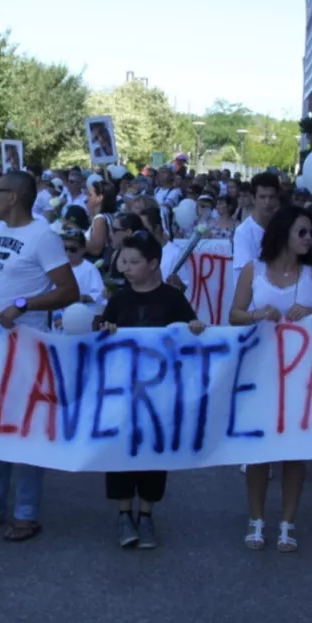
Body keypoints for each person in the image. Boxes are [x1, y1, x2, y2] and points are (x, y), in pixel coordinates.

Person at [0, 171, 79, 542]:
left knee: (25, 429)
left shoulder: (43, 236)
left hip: (27, 348)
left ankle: (26, 512)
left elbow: (69, 290)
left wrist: (23, 305)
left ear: (15, 197)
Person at [230, 205, 312, 552]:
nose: (310, 239)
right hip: (260, 373)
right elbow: (234, 314)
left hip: (302, 375)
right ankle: (256, 519)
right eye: (302, 232)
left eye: (311, 233)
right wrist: (259, 314)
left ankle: (288, 522)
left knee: (294, 451)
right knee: (259, 449)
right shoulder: (253, 269)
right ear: (283, 234)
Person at [98, 231, 206, 549]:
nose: (126, 268)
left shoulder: (172, 299)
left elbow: (192, 330)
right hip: (123, 390)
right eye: (123, 261)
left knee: (154, 450)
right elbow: (101, 335)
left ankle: (146, 514)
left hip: (161, 393)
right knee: (120, 450)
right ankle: (123, 513)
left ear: (153, 264)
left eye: (134, 262)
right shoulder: (118, 299)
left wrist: (196, 329)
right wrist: (106, 330)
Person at [53, 227, 106, 325]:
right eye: (65, 248)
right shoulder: (57, 267)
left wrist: (82, 298)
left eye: (73, 249)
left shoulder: (90, 269)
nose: (68, 253)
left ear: (82, 250)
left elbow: (100, 296)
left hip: (81, 320)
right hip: (57, 319)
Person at [231, 172, 280, 275]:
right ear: (253, 199)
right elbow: (245, 274)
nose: (267, 202)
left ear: (277, 199)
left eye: (271, 197)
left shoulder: (284, 227)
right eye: (262, 197)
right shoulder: (243, 232)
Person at [85, 180, 118, 262]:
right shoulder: (110, 215)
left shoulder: (100, 219)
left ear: (99, 198)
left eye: (90, 195)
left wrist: (77, 240)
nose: (86, 198)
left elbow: (96, 249)